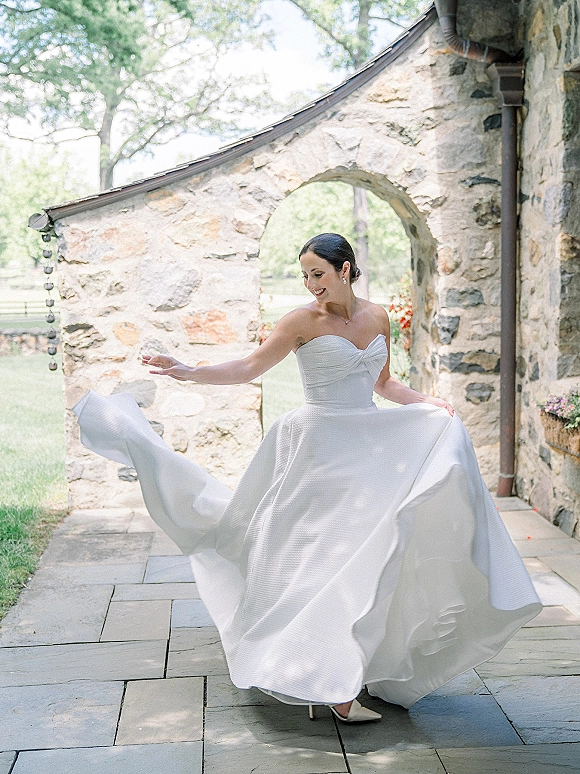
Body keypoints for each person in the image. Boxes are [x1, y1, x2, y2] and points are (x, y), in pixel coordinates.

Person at [74, 232, 541, 724]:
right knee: (318, 561)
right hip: (316, 449)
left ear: (345, 269)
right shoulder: (300, 321)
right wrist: (188, 370)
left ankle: (347, 671)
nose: (310, 284)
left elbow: (382, 384)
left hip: (366, 453)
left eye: (317, 273)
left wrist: (430, 405)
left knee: (370, 560)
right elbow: (249, 367)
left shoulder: (378, 316)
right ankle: (327, 682)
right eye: (305, 275)